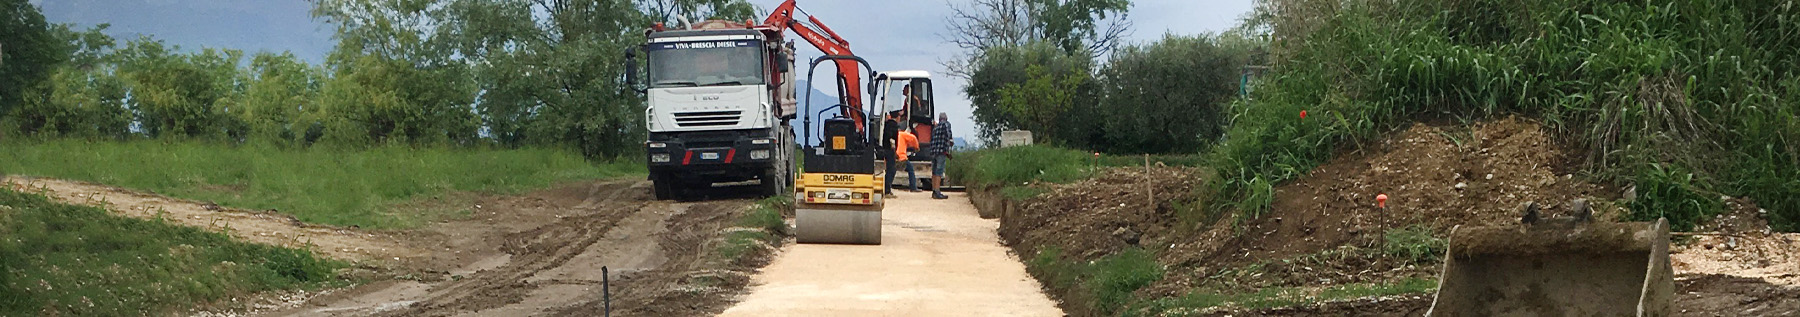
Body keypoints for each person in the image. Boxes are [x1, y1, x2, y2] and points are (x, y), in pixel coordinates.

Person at [930, 113, 954, 199]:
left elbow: (933, 141)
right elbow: (948, 135)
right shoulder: (946, 124)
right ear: (946, 118)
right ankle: (937, 191)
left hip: (934, 152)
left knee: (934, 171)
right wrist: (950, 142)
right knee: (939, 172)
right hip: (941, 153)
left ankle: (934, 191)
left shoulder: (935, 128)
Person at [881, 114, 901, 196]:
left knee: (889, 169)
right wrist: (893, 147)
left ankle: (886, 188)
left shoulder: (886, 124)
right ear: (897, 117)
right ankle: (887, 190)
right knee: (891, 170)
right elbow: (892, 137)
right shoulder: (893, 125)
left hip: (884, 149)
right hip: (889, 150)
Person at [897, 128, 922, 192]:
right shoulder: (902, 134)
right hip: (901, 156)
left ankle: (887, 188)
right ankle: (913, 187)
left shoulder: (893, 136)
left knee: (891, 172)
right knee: (910, 169)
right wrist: (916, 147)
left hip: (893, 157)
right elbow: (913, 137)